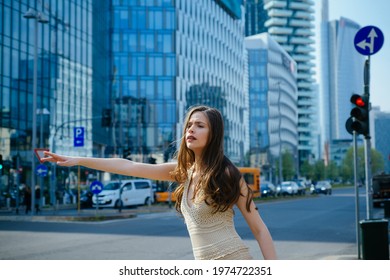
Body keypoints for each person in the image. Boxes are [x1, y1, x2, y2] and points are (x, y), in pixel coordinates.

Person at [42, 105, 277, 260]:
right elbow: (128, 166)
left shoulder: (228, 174)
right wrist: (78, 160)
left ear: (213, 134)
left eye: (200, 125)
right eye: (189, 125)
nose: (190, 129)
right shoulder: (183, 173)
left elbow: (259, 229)